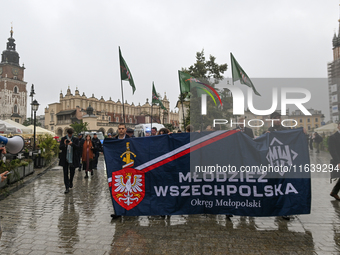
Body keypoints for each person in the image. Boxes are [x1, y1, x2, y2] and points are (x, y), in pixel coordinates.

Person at [111, 123, 130, 219]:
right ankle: (118, 211)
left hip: (129, 168)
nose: (121, 130)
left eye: (122, 128)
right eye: (119, 129)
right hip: (117, 168)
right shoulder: (114, 141)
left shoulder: (131, 139)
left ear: (125, 129)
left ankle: (130, 210)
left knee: (129, 189)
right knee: (118, 189)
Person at [59, 128, 80, 194]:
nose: (70, 135)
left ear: (72, 133)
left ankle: (70, 181)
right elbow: (60, 147)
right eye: (69, 134)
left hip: (73, 158)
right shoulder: (63, 138)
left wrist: (72, 144)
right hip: (65, 158)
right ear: (67, 133)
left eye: (71, 134)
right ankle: (67, 187)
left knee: (72, 172)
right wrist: (65, 144)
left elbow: (78, 147)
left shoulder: (75, 139)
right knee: (65, 173)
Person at [329, 122, 340, 200]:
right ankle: (334, 192)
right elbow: (332, 150)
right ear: (338, 127)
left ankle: (334, 192)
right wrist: (338, 161)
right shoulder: (333, 137)